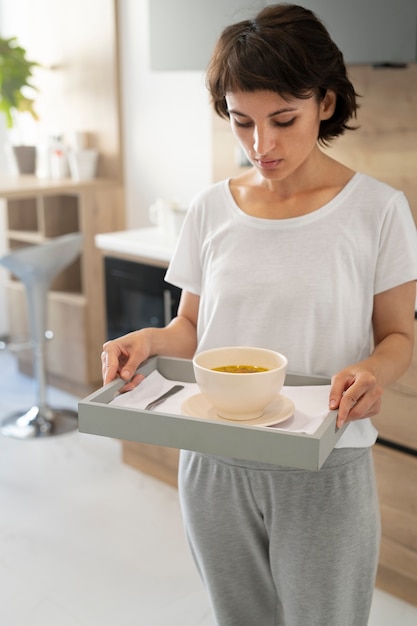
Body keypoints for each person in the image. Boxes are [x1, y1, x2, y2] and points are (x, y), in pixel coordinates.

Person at [102, 4, 417, 625]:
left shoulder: (378, 211)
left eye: (282, 119)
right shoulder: (211, 208)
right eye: (241, 121)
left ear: (325, 103)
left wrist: (374, 372)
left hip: (323, 466)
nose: (260, 145)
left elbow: (398, 334)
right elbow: (190, 329)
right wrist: (148, 340)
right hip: (213, 460)